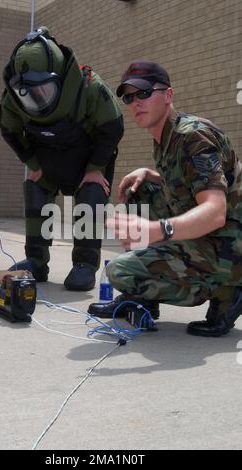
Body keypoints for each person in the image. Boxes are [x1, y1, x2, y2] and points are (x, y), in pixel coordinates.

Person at [88, 59, 242, 336]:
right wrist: (149, 173)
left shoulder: (194, 136)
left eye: (144, 92)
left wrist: (157, 230)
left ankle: (227, 290)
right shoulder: (166, 139)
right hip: (215, 235)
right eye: (128, 97)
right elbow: (191, 183)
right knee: (141, 189)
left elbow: (216, 210)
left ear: (168, 95)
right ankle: (145, 299)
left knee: (120, 272)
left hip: (231, 243)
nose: (136, 102)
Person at [0, 27, 124, 290]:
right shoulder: (12, 97)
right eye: (28, 93)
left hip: (88, 159)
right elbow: (9, 130)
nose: (35, 99)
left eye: (43, 90)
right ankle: (36, 261)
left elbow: (113, 128)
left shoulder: (89, 87)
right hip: (47, 158)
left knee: (91, 197)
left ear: (60, 78)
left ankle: (85, 265)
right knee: (35, 190)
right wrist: (32, 163)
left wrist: (95, 168)